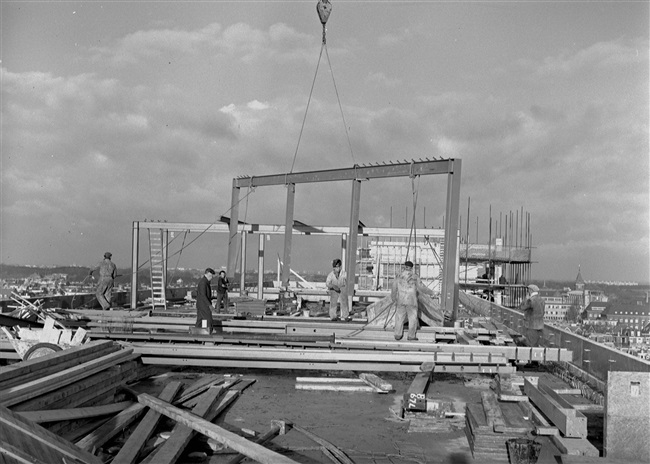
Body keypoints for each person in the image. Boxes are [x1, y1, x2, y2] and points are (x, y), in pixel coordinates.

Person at [391, 261, 435, 341]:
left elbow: (394, 288)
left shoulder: (398, 276)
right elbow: (422, 288)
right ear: (411, 268)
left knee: (399, 317)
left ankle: (398, 334)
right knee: (412, 318)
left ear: (404, 267)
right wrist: (432, 292)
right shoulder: (415, 277)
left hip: (401, 300)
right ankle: (411, 336)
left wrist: (394, 298)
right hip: (412, 301)